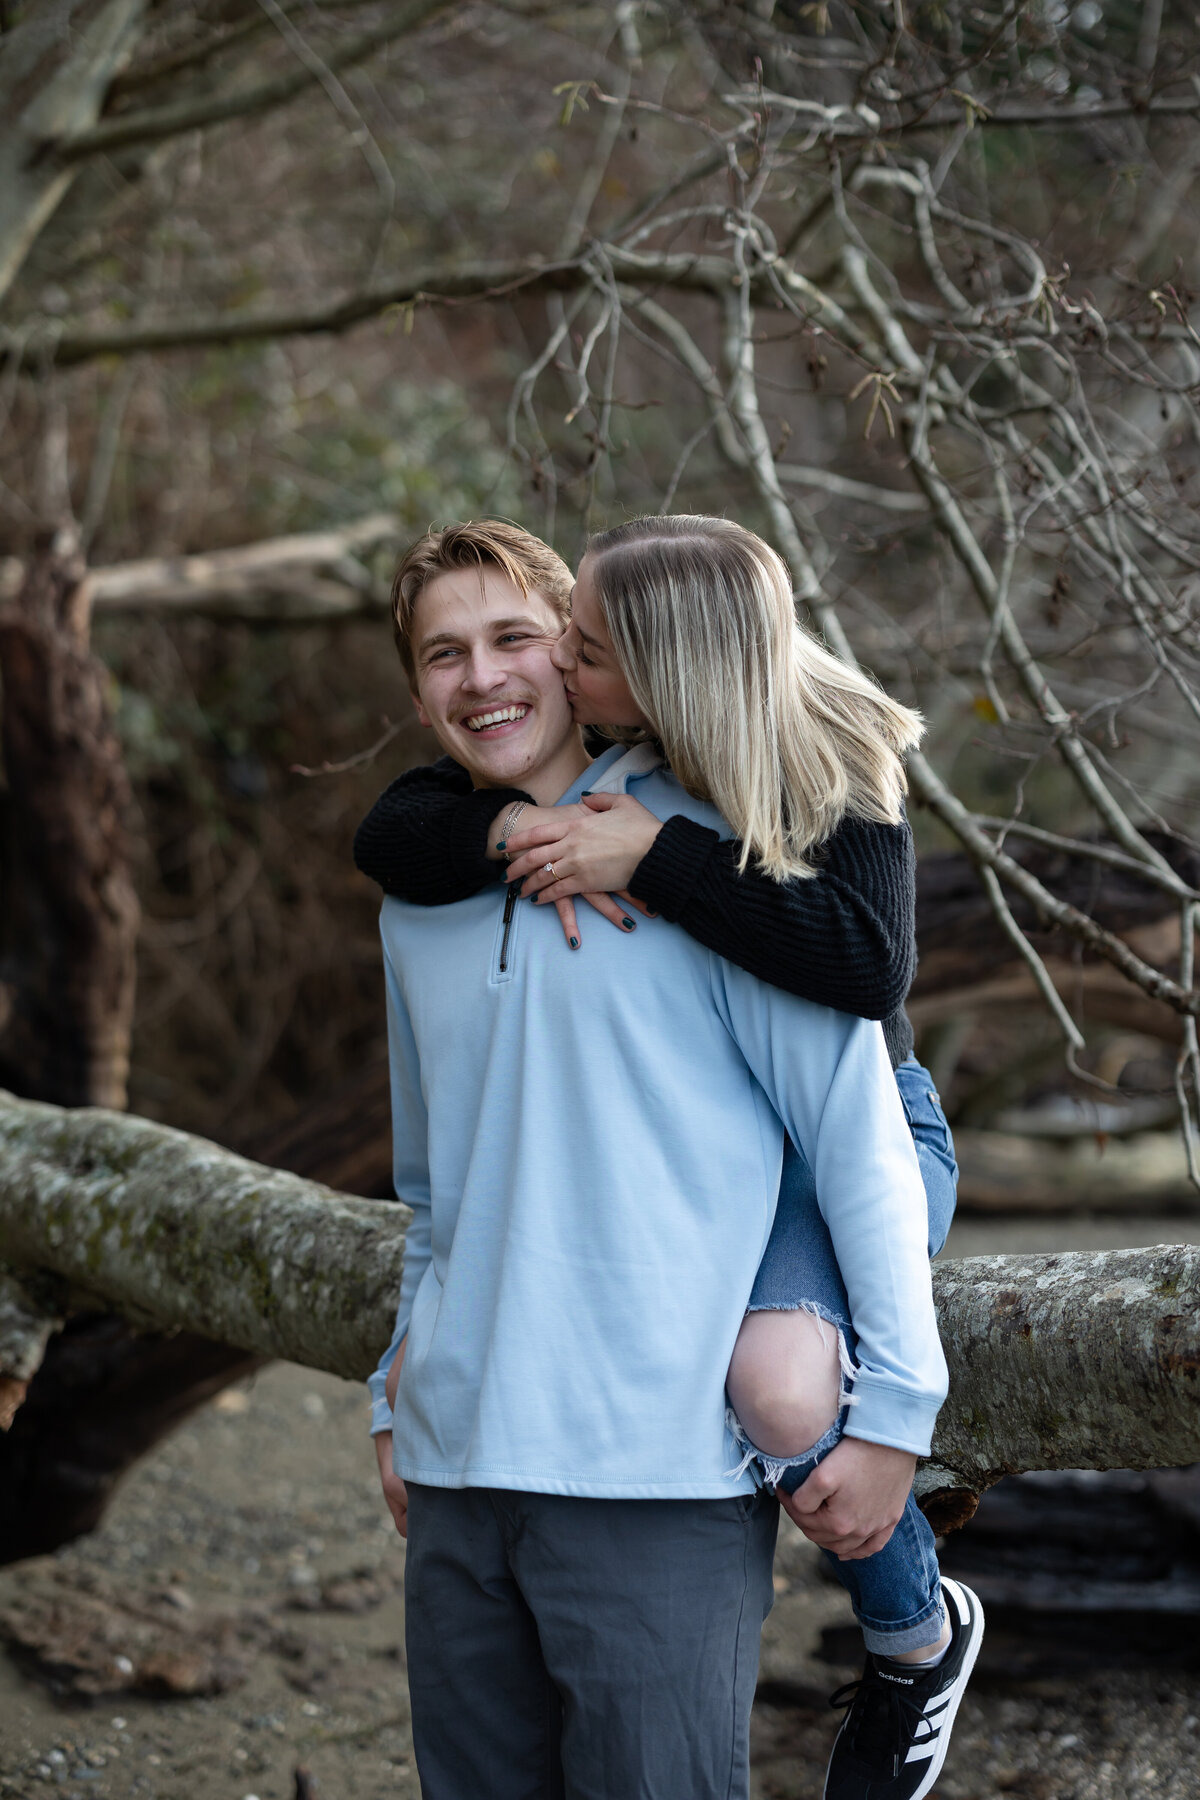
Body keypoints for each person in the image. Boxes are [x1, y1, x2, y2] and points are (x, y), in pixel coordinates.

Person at [365, 516, 981, 1800]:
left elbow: (860, 1124)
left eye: (528, 641)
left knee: (782, 1383)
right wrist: (395, 1391)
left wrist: (895, 1418)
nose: (487, 678)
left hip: (653, 1469)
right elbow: (435, 1188)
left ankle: (916, 1637)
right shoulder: (419, 895)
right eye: (443, 654)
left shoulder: (757, 833)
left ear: (610, 665)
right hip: (459, 1465)